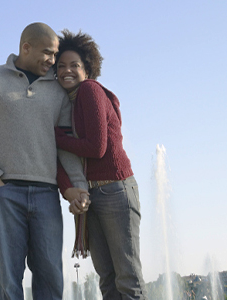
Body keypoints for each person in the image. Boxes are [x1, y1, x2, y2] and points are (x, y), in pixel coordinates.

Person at [0, 23, 88, 300]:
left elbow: (66, 145)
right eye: (47, 53)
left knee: (51, 279)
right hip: (5, 192)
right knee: (8, 282)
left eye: (55, 54)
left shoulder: (58, 92)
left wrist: (77, 185)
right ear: (25, 47)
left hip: (46, 193)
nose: (52, 61)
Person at [55, 29, 148, 299]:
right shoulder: (68, 105)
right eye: (61, 66)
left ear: (87, 69)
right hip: (93, 195)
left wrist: (57, 138)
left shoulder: (89, 90)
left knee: (128, 279)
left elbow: (97, 148)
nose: (66, 71)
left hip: (116, 190)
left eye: (74, 65)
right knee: (107, 280)